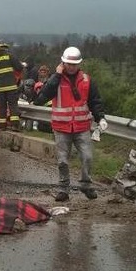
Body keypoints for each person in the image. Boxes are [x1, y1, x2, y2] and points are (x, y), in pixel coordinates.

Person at [33, 46, 107, 202]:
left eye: (74, 64)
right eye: (68, 64)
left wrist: (100, 118)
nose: (71, 67)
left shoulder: (87, 80)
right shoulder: (56, 80)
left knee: (87, 157)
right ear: (63, 63)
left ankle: (86, 185)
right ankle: (63, 189)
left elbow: (95, 102)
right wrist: (56, 76)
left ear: (79, 64)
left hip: (82, 127)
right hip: (61, 128)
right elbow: (41, 98)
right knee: (62, 161)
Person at [0, 40, 23, 131]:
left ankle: (2, 126)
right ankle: (14, 125)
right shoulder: (10, 57)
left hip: (0, 88)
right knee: (13, 105)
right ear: (5, 48)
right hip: (11, 87)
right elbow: (19, 67)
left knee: (2, 106)